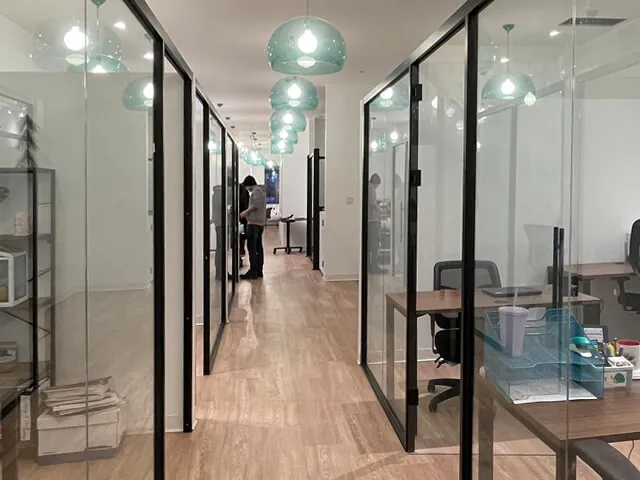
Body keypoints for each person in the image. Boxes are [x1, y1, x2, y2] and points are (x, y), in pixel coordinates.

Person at [240, 175, 266, 279]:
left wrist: (245, 212)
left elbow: (256, 206)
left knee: (252, 248)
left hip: (254, 224)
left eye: (247, 186)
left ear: (249, 184)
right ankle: (258, 270)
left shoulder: (256, 191)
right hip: (259, 224)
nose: (247, 189)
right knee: (258, 248)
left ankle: (253, 271)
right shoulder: (259, 191)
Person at [368, 173, 382, 273]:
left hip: (369, 220)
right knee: (374, 245)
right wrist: (379, 209)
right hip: (373, 220)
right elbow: (372, 203)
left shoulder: (368, 187)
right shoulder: (371, 188)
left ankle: (370, 266)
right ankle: (374, 266)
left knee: (370, 245)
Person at [238, 182, 250, 266]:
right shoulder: (245, 192)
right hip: (244, 218)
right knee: (242, 238)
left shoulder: (237, 192)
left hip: (240, 218)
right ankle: (241, 255)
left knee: (238, 239)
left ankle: (239, 257)